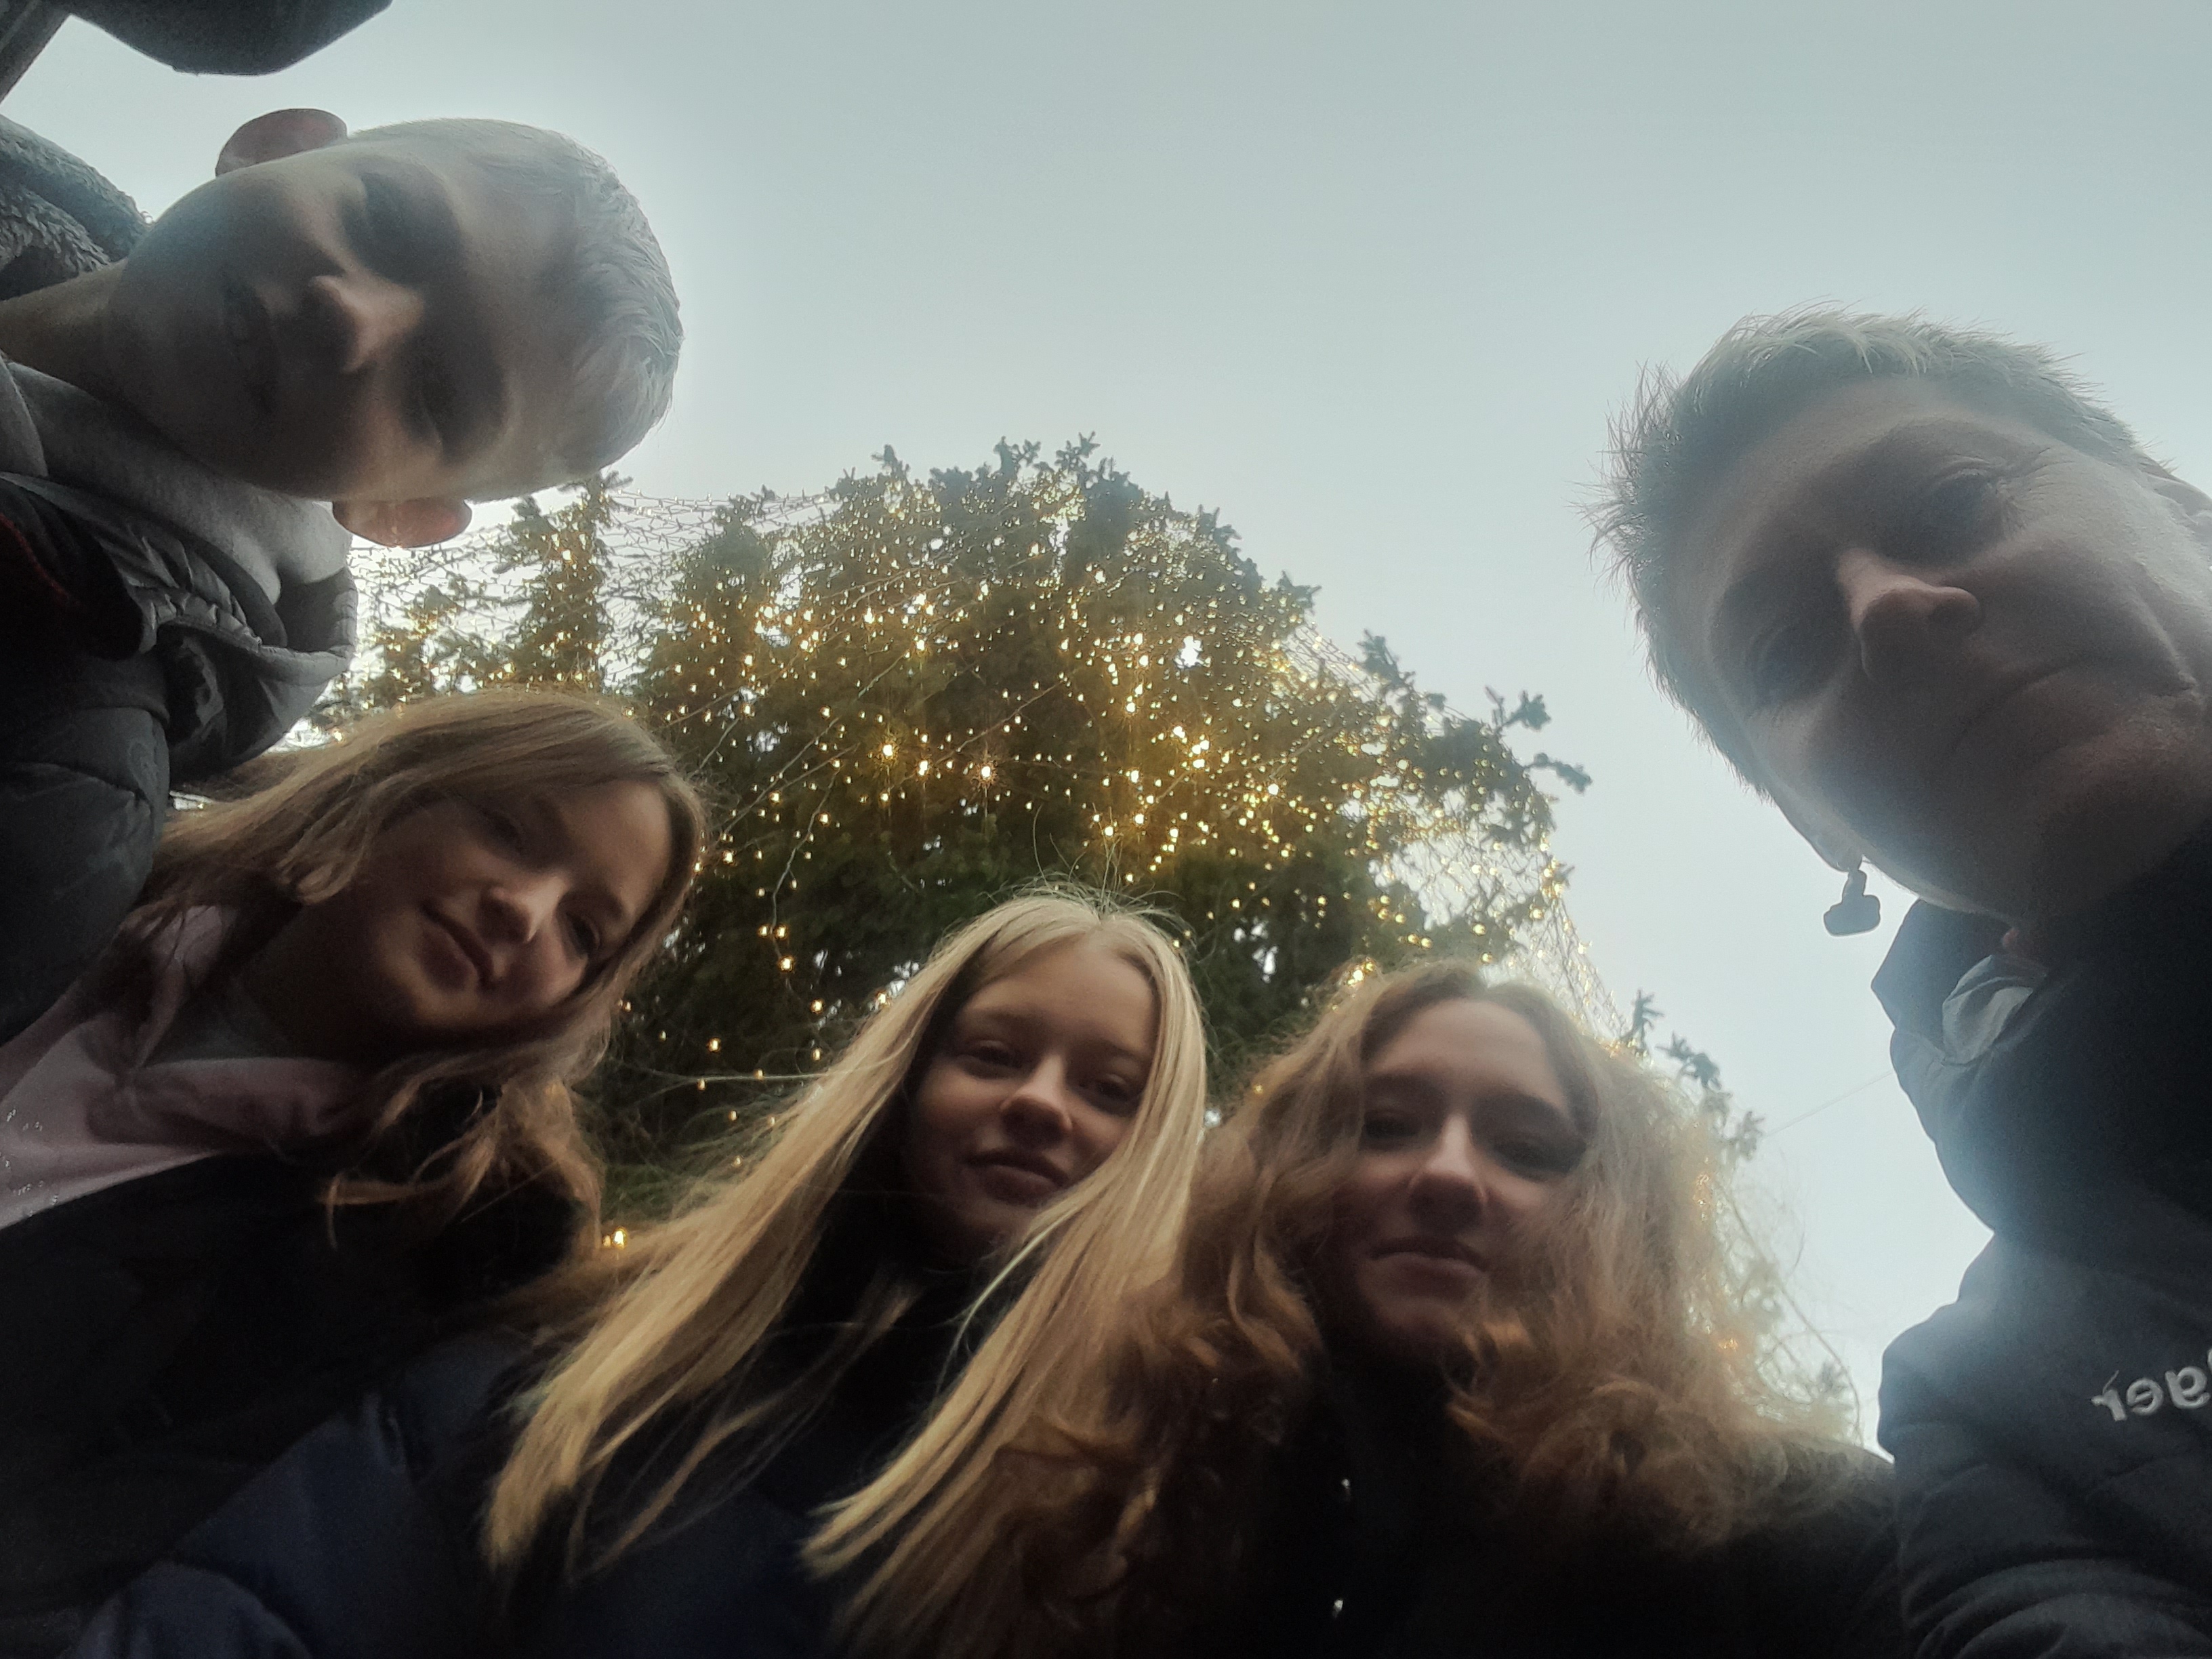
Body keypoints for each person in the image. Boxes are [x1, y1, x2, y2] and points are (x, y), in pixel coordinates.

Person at [67, 888, 1210, 1659]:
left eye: (1108, 1088)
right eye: (995, 1054)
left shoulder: (1133, 1526)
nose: (1039, 1102)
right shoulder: (599, 1353)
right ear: (905, 1084)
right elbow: (261, 1606)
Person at [1597, 307, 2212, 1653]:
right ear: (1814, 825)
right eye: (1785, 652)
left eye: (1954, 503)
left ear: (2185, 507)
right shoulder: (1995, 1418)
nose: (1883, 607)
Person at [895, 960, 1900, 1659]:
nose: (1449, 1174)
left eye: (1526, 1149)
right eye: (1385, 1126)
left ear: (1609, 1217)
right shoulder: (1133, 1544)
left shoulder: (1800, 1538)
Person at [0, 689, 704, 1656]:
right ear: (395, 788)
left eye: (584, 932)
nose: (524, 909)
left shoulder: (420, 1262)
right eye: (508, 831)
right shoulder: (71, 879)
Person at [0, 102, 682, 1041]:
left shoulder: (57, 783)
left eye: (436, 392)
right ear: (278, 143)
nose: (352, 318)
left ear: (396, 514)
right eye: (386, 222)